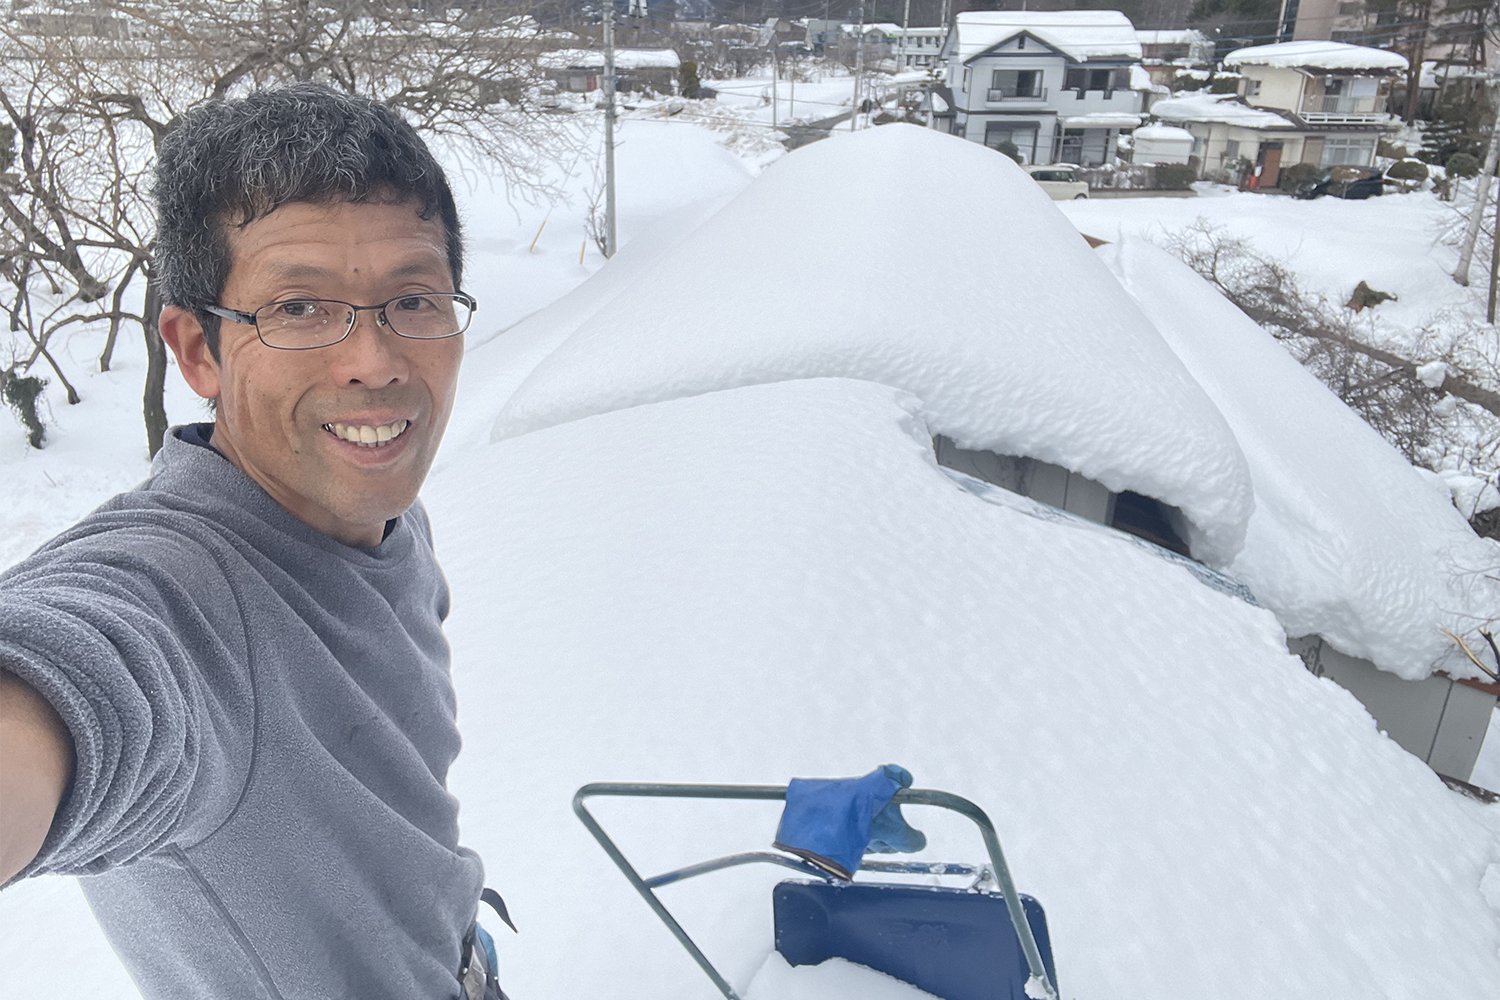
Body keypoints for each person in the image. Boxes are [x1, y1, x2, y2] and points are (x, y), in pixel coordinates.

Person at [0, 84, 506, 1000]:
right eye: (300, 308)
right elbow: (83, 672)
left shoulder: (385, 517)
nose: (376, 360)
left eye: (414, 298)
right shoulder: (183, 590)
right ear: (198, 351)